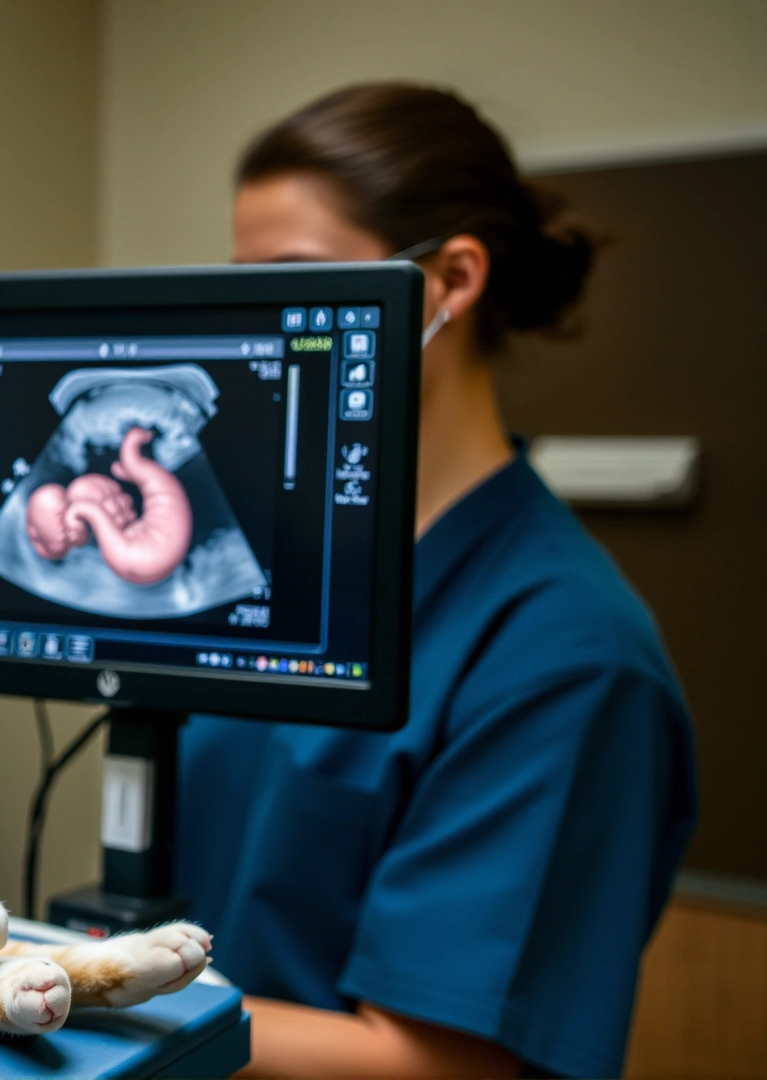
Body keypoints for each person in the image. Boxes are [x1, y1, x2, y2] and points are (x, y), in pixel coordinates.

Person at [177, 83, 698, 1078]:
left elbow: (438, 1064)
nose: (266, 321)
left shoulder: (568, 657)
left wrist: (87, 997)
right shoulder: (265, 576)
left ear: (452, 279)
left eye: (296, 276)